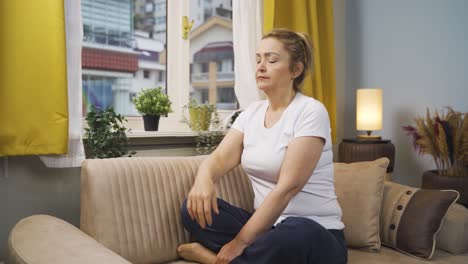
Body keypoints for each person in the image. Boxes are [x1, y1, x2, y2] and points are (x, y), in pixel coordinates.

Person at [177, 28, 347, 264]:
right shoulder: (252, 113)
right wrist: (204, 179)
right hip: (267, 229)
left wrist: (240, 242)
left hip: (317, 235)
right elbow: (217, 160)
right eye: (258, 59)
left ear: (295, 70)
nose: (260, 66)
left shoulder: (310, 111)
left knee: (295, 231)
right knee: (193, 209)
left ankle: (212, 260)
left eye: (272, 59)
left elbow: (287, 188)